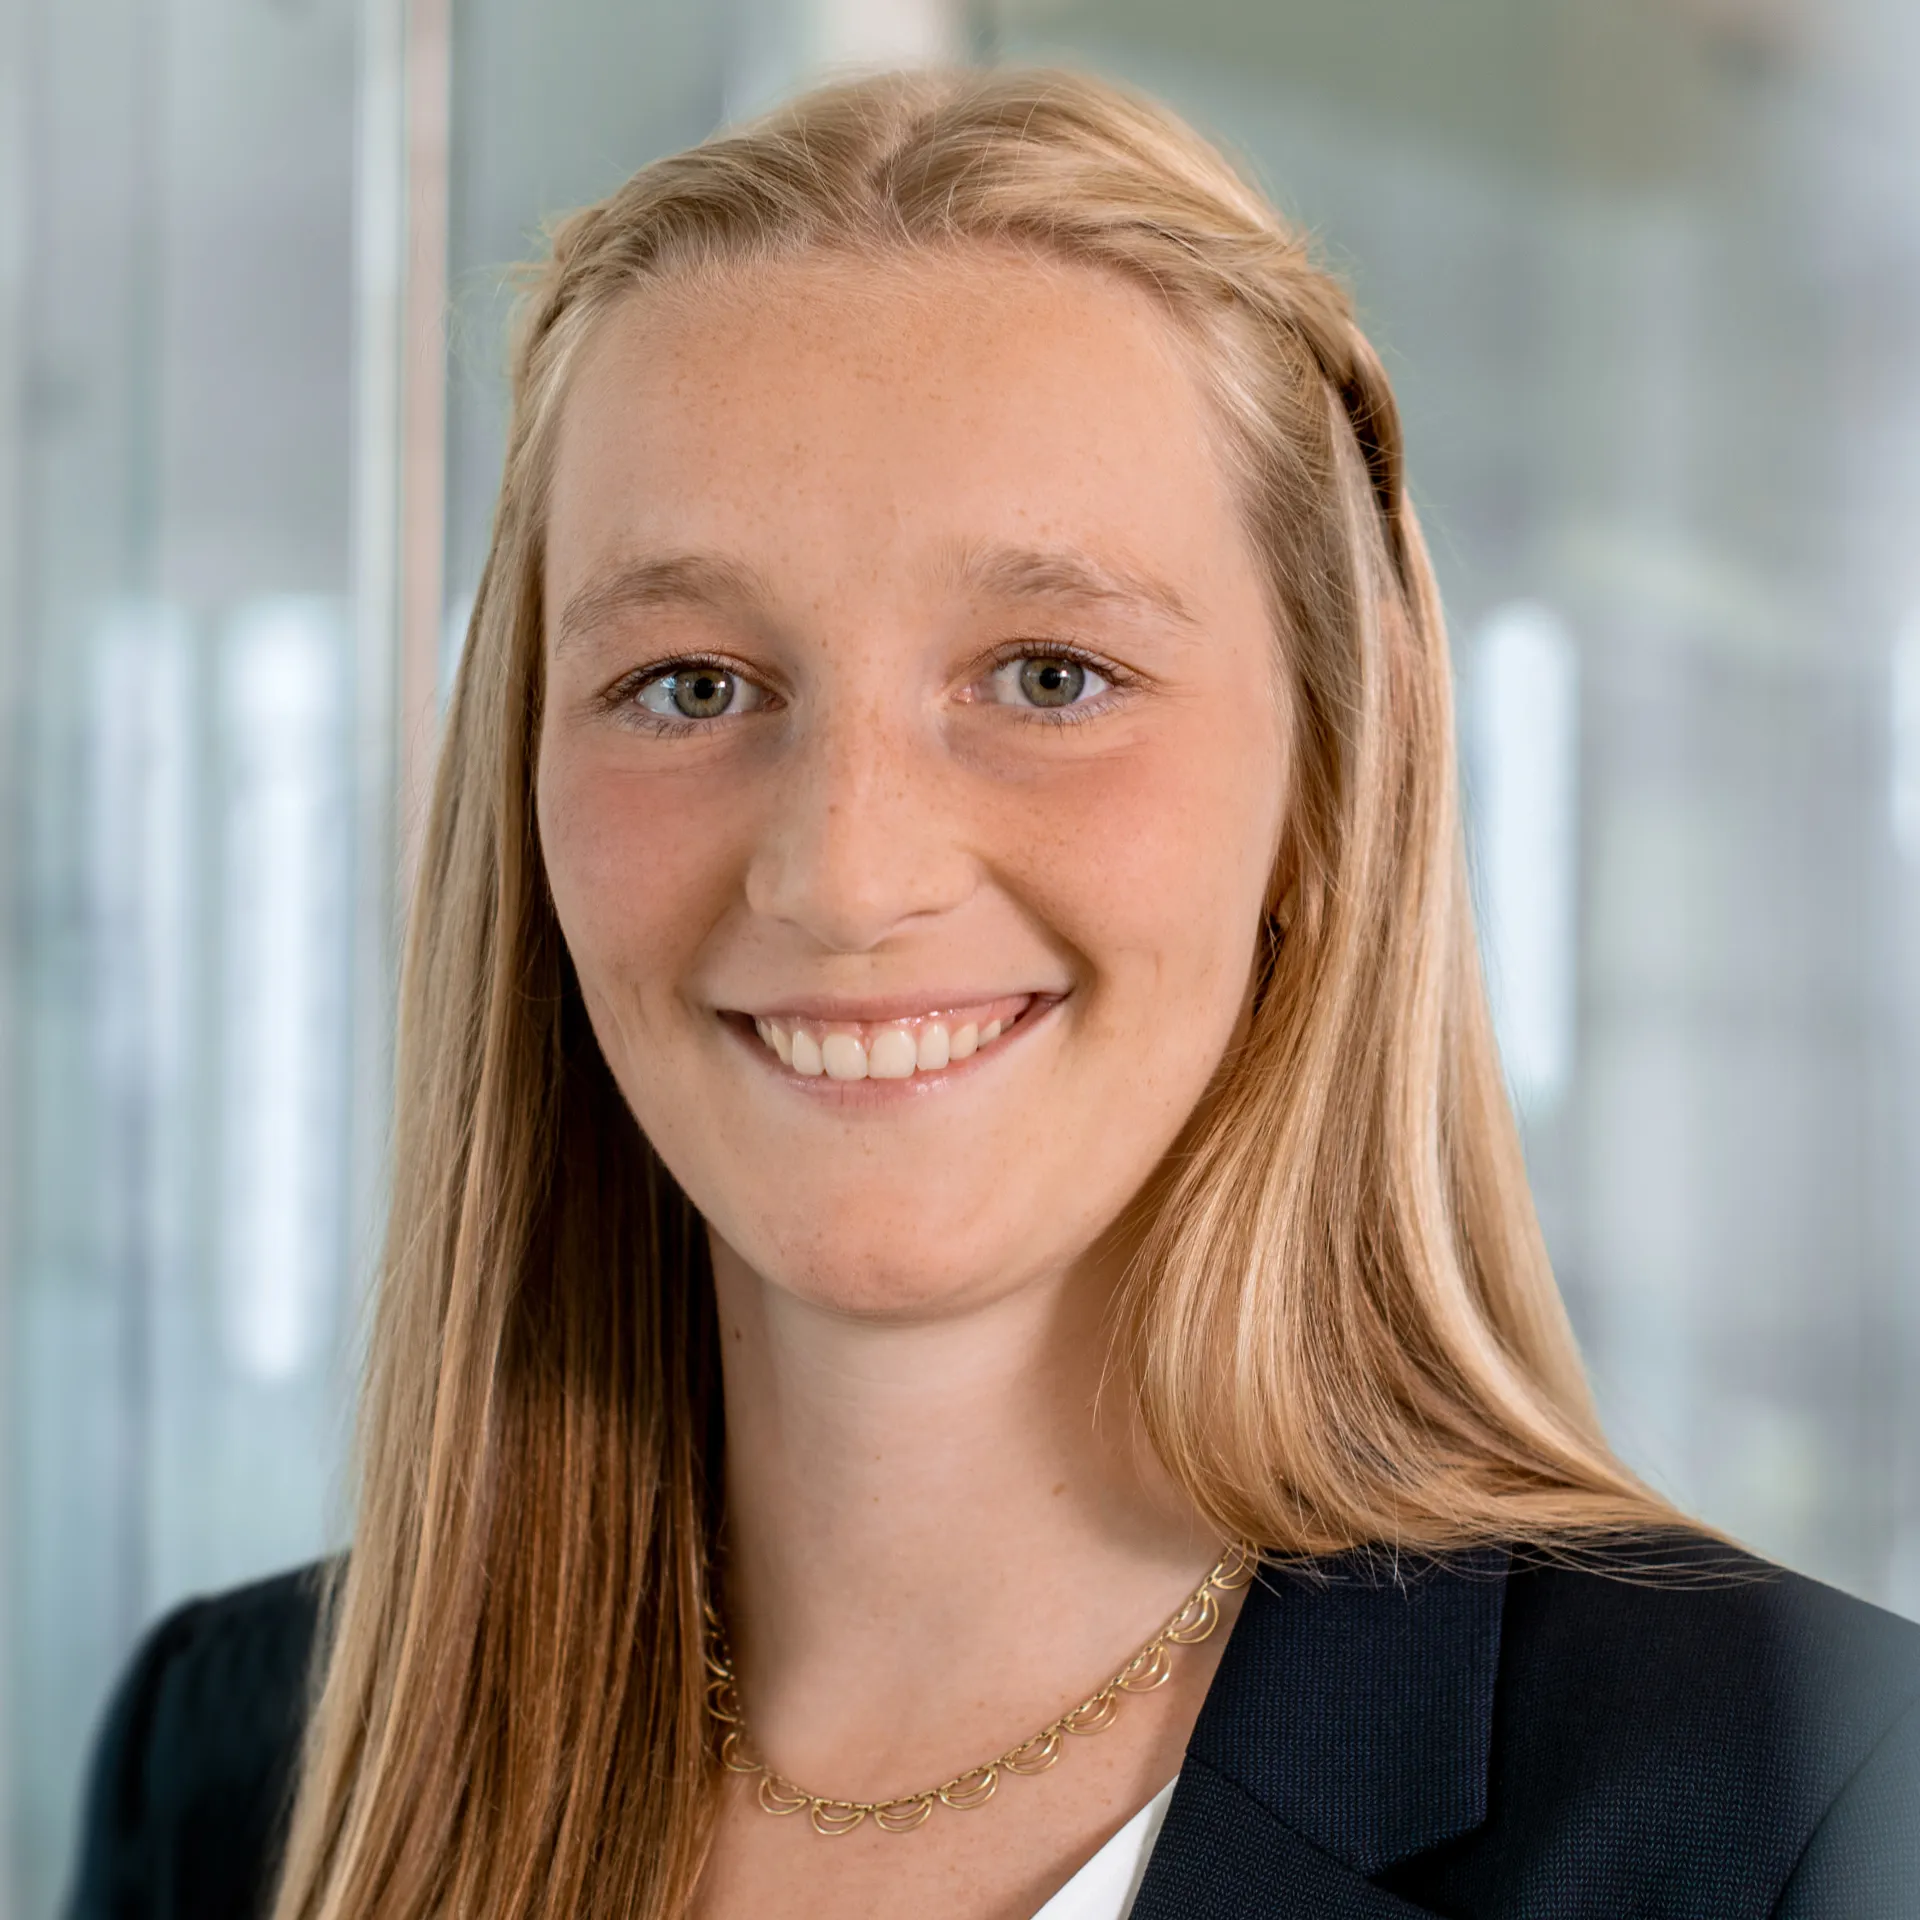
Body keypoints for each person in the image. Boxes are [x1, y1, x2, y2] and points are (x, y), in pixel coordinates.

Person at [68, 66, 1919, 1920]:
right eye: (692, 686)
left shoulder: (1801, 1812)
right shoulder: (233, 1765)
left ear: (1329, 783)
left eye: (1049, 676)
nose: (844, 875)